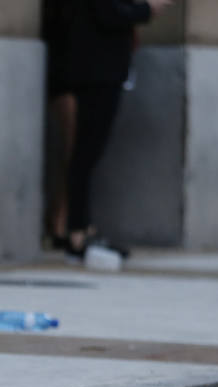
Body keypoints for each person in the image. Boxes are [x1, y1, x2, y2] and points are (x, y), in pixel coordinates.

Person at [43, 0, 173, 260]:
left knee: (82, 153)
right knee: (85, 153)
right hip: (95, 72)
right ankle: (78, 232)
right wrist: (148, 9)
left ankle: (73, 227)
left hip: (92, 70)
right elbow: (108, 14)